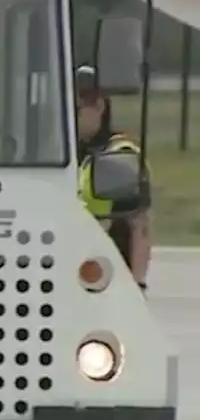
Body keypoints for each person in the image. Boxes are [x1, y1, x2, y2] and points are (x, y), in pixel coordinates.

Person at [74, 65, 152, 290]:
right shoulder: (65, 153)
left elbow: (140, 227)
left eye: (76, 109)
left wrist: (137, 286)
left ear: (99, 106)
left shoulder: (121, 155)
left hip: (110, 279)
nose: (69, 117)